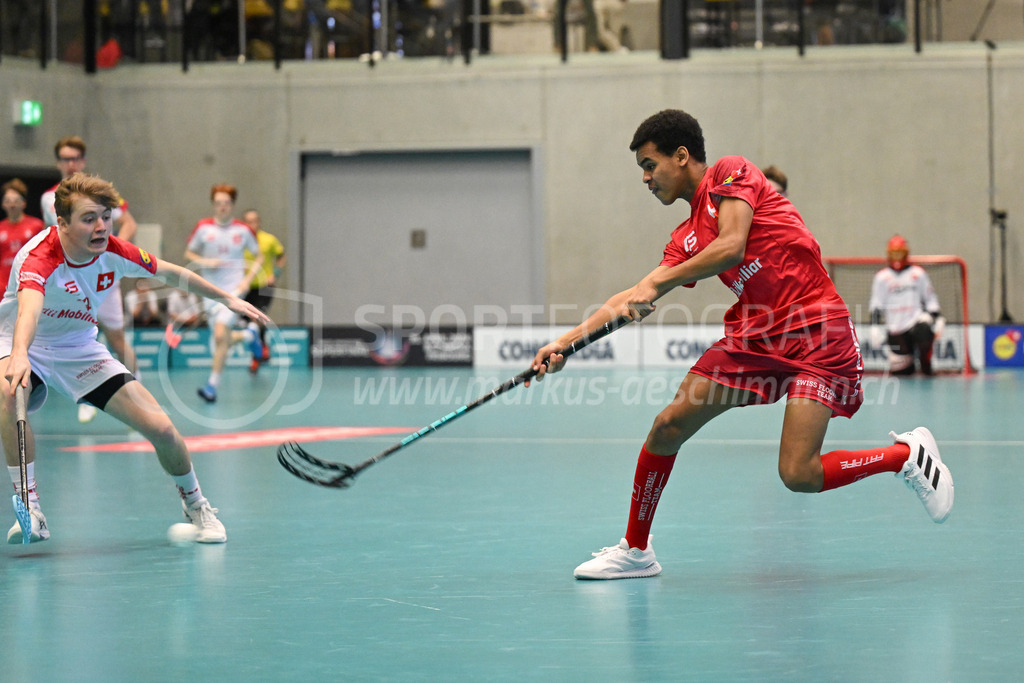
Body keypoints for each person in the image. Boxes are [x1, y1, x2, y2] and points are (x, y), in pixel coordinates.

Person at [529, 109, 954, 580]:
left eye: (650, 165)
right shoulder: (685, 237)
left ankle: (905, 456)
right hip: (756, 337)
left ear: (682, 155)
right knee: (668, 425)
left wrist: (661, 282)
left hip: (817, 330)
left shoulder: (732, 172)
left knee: (799, 473)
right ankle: (636, 550)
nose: (645, 178)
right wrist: (565, 344)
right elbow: (633, 293)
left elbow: (731, 246)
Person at [2, 173, 269, 544]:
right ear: (61, 223)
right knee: (7, 390)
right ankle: (30, 508)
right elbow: (28, 311)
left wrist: (226, 298)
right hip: (22, 341)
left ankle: (197, 506)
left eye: (105, 216)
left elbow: (171, 272)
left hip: (80, 347)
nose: (101, 227)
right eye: (88, 218)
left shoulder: (114, 250)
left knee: (161, 429)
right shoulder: (39, 257)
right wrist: (18, 356)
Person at [42, 136, 139, 423]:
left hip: (103, 278)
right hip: (68, 280)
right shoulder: (49, 198)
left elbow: (129, 223)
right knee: (76, 337)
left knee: (118, 339)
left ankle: (138, 392)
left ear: (82, 161)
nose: (70, 163)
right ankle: (88, 396)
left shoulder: (102, 194)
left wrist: (112, 252)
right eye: (65, 159)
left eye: (75, 158)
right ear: (58, 163)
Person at [185, 184, 264, 403]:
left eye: (226, 203)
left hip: (235, 290)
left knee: (220, 336)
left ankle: (212, 387)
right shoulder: (203, 228)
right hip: (209, 291)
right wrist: (205, 261)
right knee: (222, 340)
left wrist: (247, 280)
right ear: (214, 204)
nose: (222, 207)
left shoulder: (243, 230)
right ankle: (249, 335)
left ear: (232, 205)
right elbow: (189, 252)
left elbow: (258, 257)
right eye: (218, 203)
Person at [868, 235, 944, 376]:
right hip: (895, 329)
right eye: (894, 254)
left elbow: (930, 298)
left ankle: (926, 366)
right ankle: (908, 364)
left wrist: (938, 317)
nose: (897, 257)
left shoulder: (918, 274)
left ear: (906, 254)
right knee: (902, 372)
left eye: (900, 253)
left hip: (915, 322)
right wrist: (874, 326)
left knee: (924, 331)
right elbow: (876, 304)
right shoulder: (881, 278)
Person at [241, 208, 286, 374]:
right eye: (248, 221)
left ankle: (257, 357)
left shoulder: (269, 240)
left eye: (255, 220)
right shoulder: (240, 241)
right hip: (245, 288)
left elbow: (281, 256)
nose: (252, 224)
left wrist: (275, 274)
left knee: (257, 317)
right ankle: (261, 350)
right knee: (249, 325)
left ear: (259, 222)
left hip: (264, 286)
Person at [0, 179, 46, 288]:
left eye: (16, 201)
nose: (12, 204)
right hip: (3, 286)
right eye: (8, 201)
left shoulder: (37, 226)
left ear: (23, 203)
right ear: (3, 204)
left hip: (28, 282)